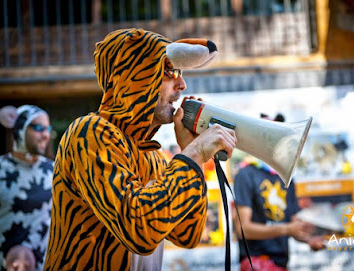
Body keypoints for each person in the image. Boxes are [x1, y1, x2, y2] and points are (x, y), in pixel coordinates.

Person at [44, 28, 237, 271]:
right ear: (136, 77)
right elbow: (139, 230)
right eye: (170, 72)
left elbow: (187, 234)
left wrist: (191, 154)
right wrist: (193, 154)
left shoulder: (152, 156)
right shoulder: (89, 133)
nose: (182, 84)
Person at [233, 113, 324, 271]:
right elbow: (244, 230)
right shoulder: (246, 174)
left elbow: (293, 224)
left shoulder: (287, 178)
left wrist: (309, 239)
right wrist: (287, 229)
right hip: (256, 262)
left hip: (281, 264)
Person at [0, 105, 54, 271]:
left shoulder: (56, 170)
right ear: (20, 130)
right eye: (38, 128)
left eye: (48, 128)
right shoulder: (1, 168)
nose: (46, 135)